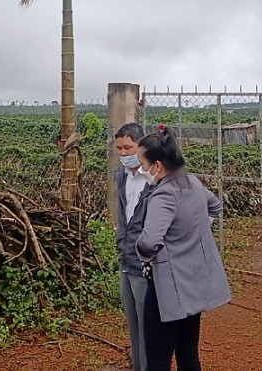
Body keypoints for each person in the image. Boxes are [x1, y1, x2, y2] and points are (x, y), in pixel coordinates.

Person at [136, 126, 230, 371]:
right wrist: (194, 234)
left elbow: (148, 242)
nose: (140, 169)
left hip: (166, 288)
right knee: (188, 352)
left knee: (158, 357)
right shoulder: (192, 182)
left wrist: (145, 253)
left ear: (157, 166)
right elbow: (215, 206)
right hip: (193, 283)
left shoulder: (164, 195)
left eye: (142, 164)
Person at [114, 122, 151, 371]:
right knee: (133, 321)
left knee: (148, 324)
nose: (123, 153)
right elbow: (123, 216)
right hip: (126, 260)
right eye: (119, 148)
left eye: (128, 147)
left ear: (141, 147)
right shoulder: (121, 177)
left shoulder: (154, 180)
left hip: (145, 263)